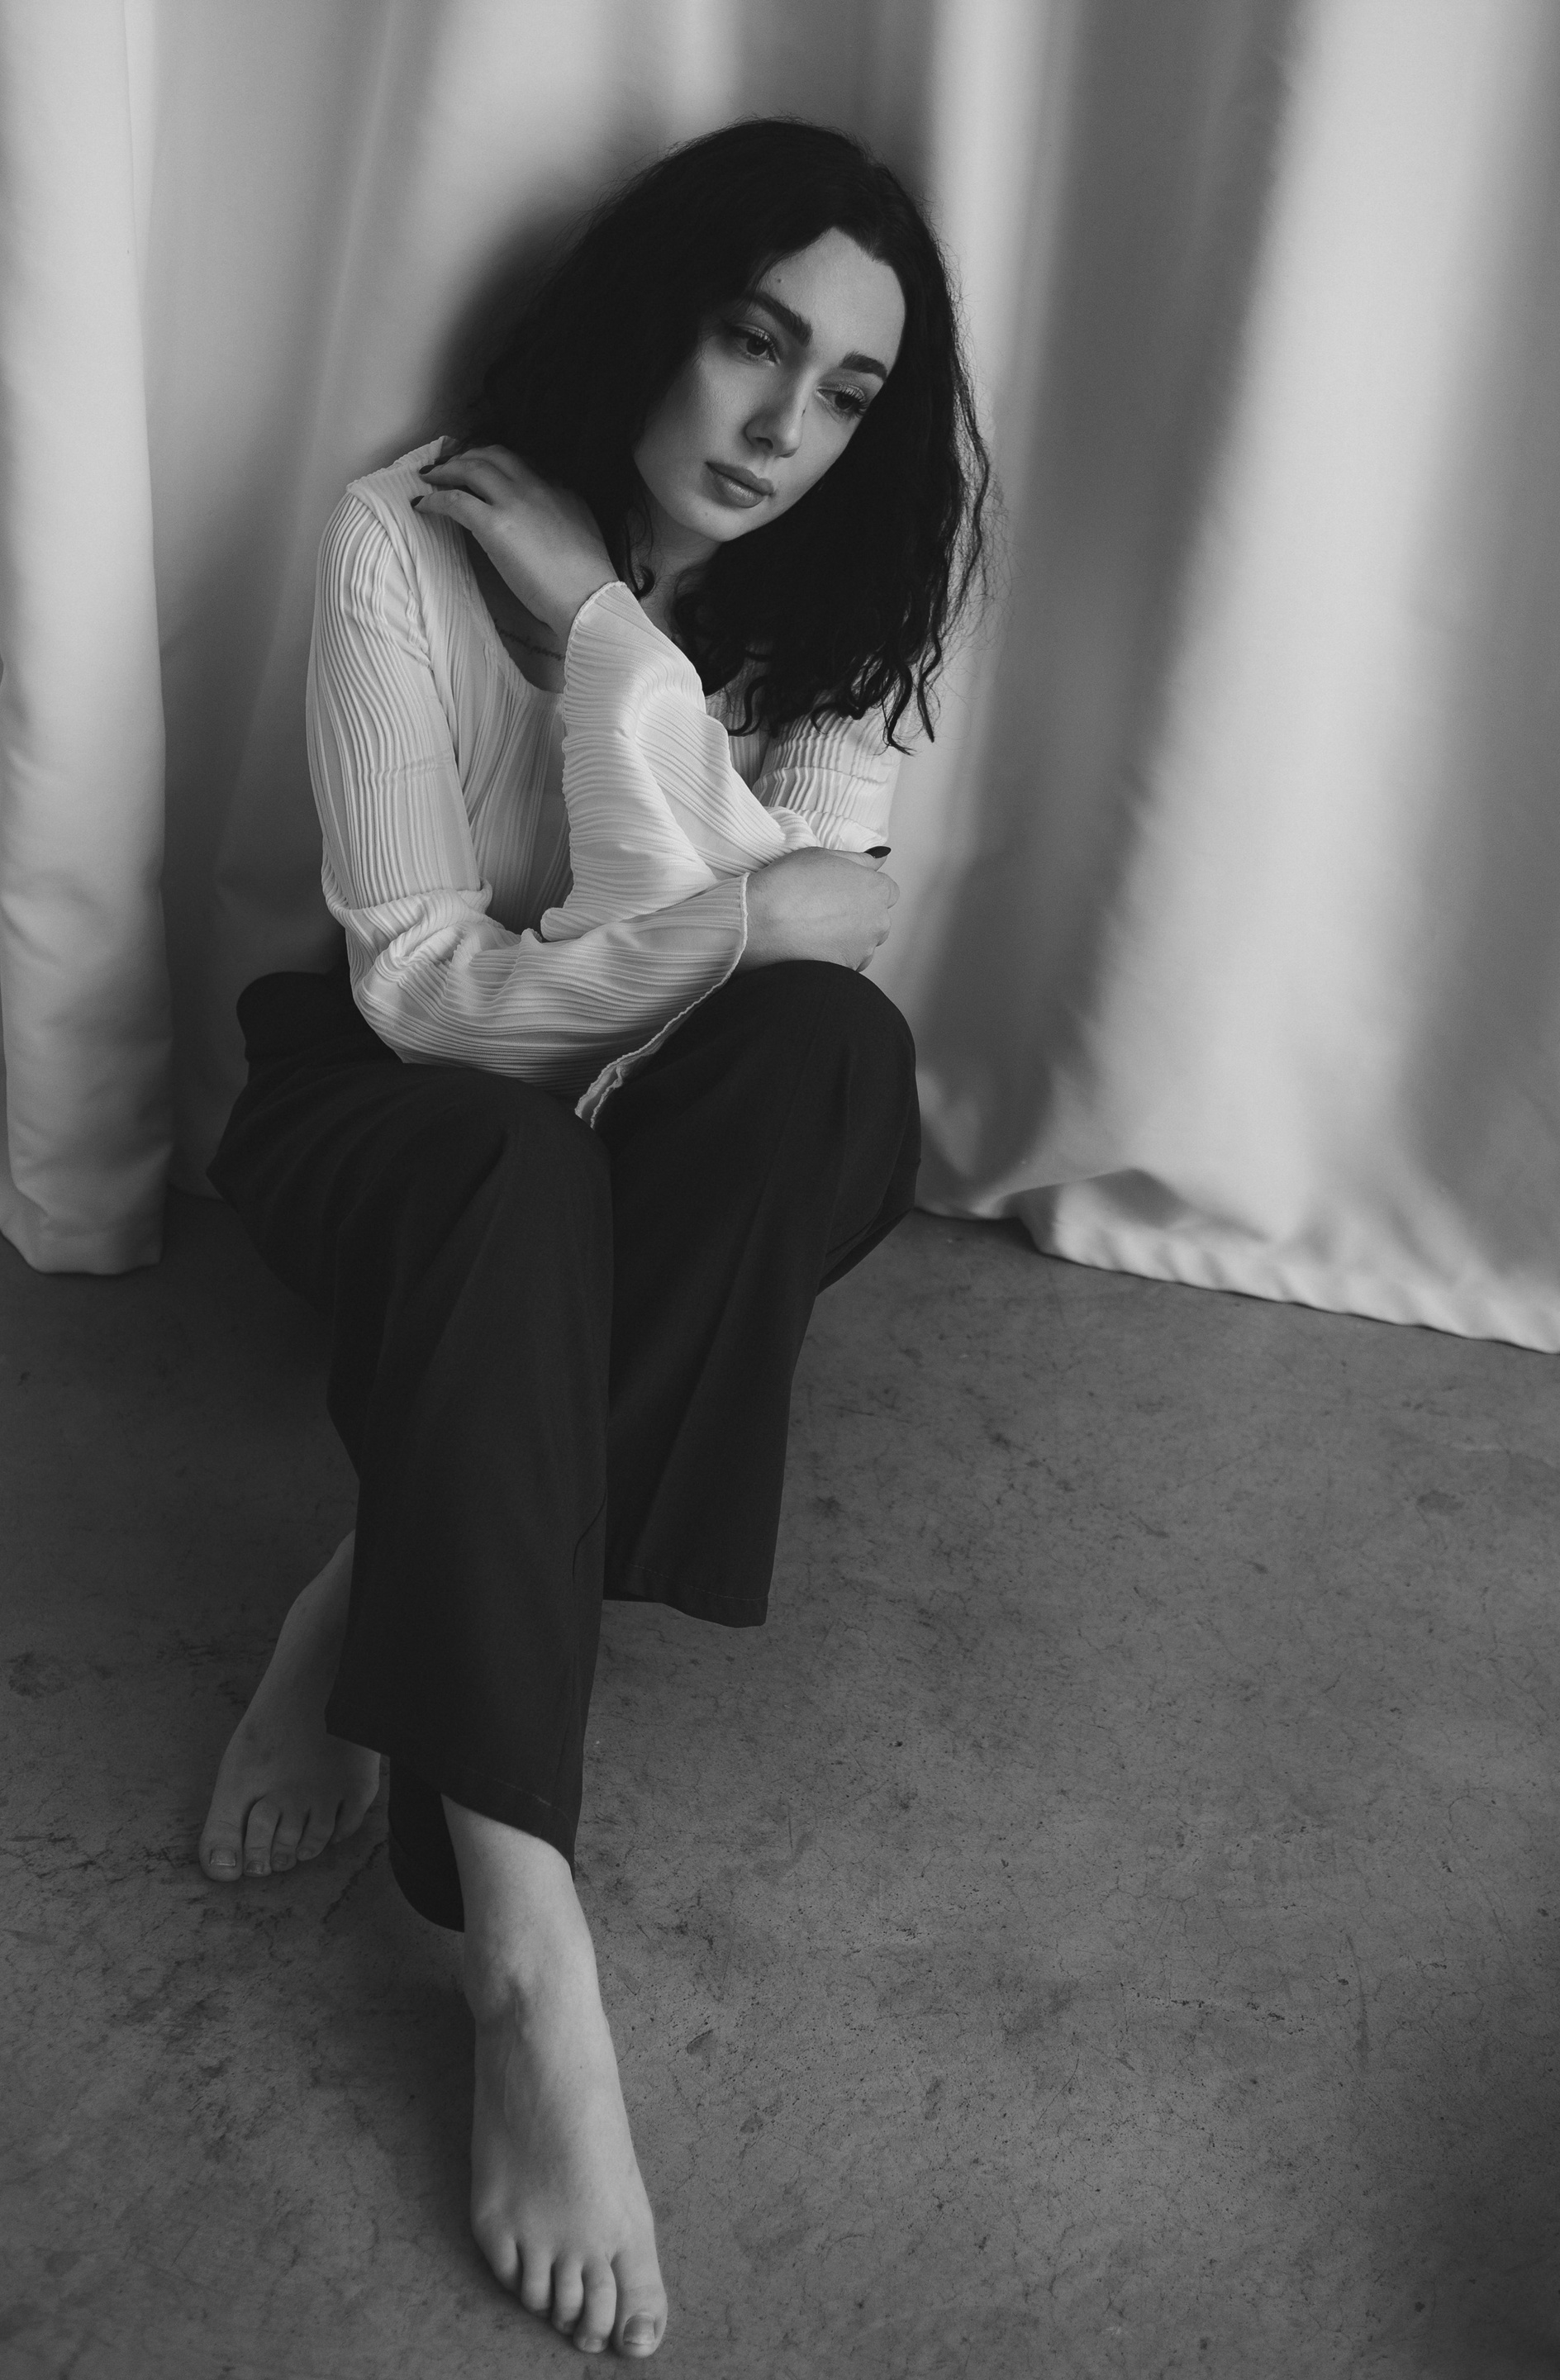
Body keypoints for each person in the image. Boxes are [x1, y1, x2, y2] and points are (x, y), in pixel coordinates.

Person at [197, 114, 993, 2359]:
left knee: (830, 1068)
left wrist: (610, 639)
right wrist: (732, 916)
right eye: (754, 338)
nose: (783, 426)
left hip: (645, 1124)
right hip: (399, 1119)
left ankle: (382, 1576)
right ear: (658, 307)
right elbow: (426, 993)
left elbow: (818, 973)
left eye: (847, 390)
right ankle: (526, 1953)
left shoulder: (841, 603)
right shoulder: (404, 533)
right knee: (528, 1158)